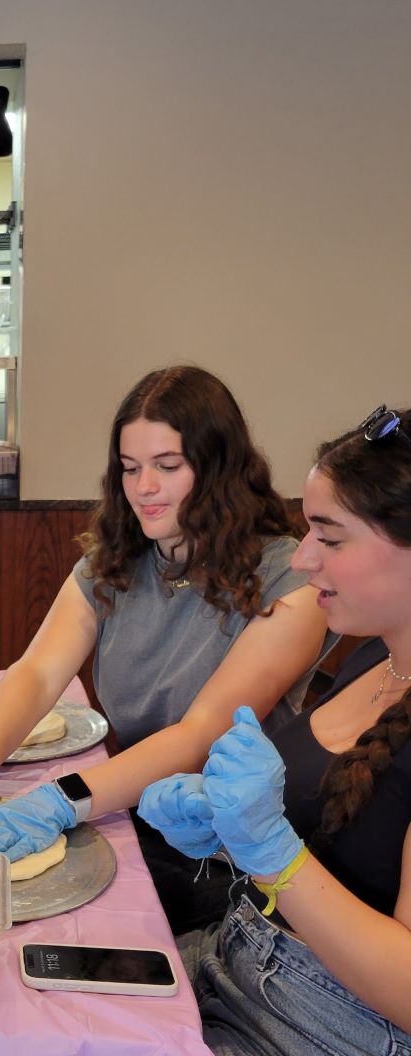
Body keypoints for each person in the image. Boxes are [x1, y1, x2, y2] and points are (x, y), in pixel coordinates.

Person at [0, 365, 330, 933]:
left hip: (229, 858)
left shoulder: (291, 582)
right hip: (138, 807)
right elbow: (37, 672)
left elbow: (201, 734)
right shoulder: (116, 563)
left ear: (219, 467)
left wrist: (58, 800)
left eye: (167, 466)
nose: (143, 487)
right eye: (130, 467)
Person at [140, 404, 411, 1056]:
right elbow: (346, 855)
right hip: (242, 961)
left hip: (321, 1025)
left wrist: (273, 855)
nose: (306, 558)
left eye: (331, 538)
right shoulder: (380, 655)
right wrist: (230, 837)